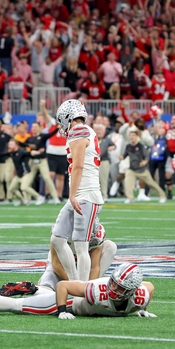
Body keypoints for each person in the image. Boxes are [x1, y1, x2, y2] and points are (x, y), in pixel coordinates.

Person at [0, 263, 156, 320]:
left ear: (131, 291)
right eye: (114, 282)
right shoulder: (97, 290)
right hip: (73, 303)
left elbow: (150, 287)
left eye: (120, 287)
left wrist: (142, 308)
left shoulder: (139, 295)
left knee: (41, 297)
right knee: (17, 307)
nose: (114, 288)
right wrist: (62, 309)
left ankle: (34, 289)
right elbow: (63, 286)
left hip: (76, 301)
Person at [50, 99, 104, 284]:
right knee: (57, 238)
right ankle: (74, 283)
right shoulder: (85, 130)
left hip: (86, 195)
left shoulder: (78, 130)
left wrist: (72, 195)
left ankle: (81, 290)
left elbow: (79, 166)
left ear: (67, 117)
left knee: (81, 247)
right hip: (81, 194)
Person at [0, 224, 116, 297]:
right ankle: (31, 289)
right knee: (47, 291)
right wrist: (75, 286)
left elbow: (94, 267)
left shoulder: (97, 233)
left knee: (111, 246)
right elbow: (57, 265)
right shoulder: (60, 231)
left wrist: (88, 286)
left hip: (84, 267)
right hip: (61, 267)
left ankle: (93, 288)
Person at [19, 111, 61, 205]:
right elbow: (21, 144)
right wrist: (30, 149)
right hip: (32, 162)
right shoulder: (29, 139)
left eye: (36, 127)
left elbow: (51, 134)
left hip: (42, 161)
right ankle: (29, 198)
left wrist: (57, 129)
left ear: (39, 128)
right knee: (27, 182)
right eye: (33, 127)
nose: (34, 128)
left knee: (47, 178)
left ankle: (55, 197)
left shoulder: (42, 137)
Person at [123, 128, 167, 204]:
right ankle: (130, 198)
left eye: (133, 135)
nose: (131, 137)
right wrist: (121, 157)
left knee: (152, 183)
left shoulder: (141, 146)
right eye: (130, 135)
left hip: (142, 169)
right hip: (132, 169)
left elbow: (147, 155)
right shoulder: (128, 146)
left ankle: (162, 196)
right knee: (128, 183)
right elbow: (124, 156)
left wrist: (145, 161)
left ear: (137, 136)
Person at [6, 139, 43, 205]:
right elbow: (1, 154)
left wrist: (36, 152)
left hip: (26, 173)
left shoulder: (22, 151)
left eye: (11, 144)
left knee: (24, 187)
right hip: (19, 175)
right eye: (9, 144)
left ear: (16, 145)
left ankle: (39, 197)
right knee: (11, 189)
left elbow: (29, 153)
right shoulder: (11, 153)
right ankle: (23, 201)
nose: (9, 146)